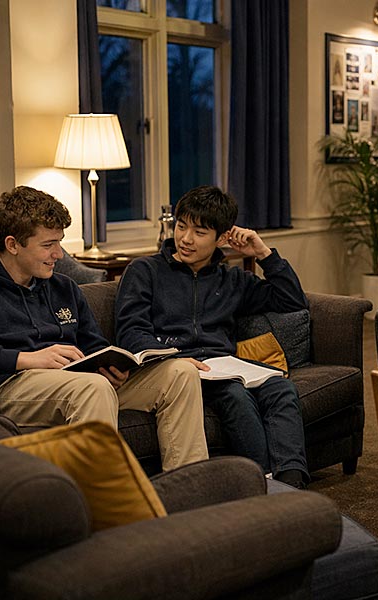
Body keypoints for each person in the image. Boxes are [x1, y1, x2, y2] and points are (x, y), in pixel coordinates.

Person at [0, 186, 208, 471]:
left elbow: (93, 343)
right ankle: (107, 510)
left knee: (180, 373)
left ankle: (188, 487)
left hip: (77, 380)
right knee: (92, 388)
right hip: (11, 385)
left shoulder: (63, 287)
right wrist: (24, 359)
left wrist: (107, 365)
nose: (59, 254)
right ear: (12, 244)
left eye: (59, 242)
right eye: (48, 245)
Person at [114, 185, 311, 489]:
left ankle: (292, 484)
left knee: (281, 388)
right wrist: (176, 359)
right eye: (181, 226)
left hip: (224, 365)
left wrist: (263, 253)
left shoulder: (232, 280)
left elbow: (292, 301)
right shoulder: (145, 271)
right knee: (236, 396)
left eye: (199, 232)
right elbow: (131, 331)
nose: (186, 239)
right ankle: (263, 484)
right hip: (173, 370)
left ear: (222, 238)